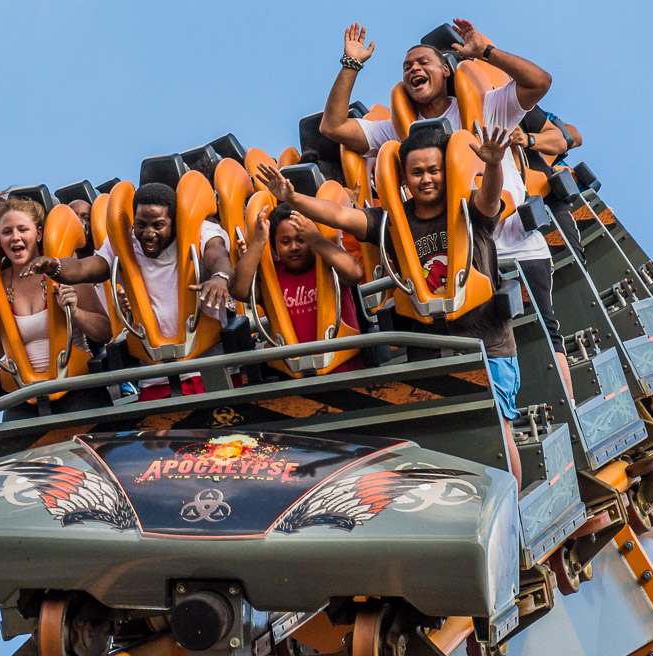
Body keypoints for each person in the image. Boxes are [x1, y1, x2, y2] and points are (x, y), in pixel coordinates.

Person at [257, 124, 523, 486]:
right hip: (428, 348)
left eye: (434, 170)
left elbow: (490, 200)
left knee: (497, 433)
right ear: (403, 178)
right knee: (444, 441)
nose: (426, 179)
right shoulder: (391, 221)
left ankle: (516, 519)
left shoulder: (467, 207)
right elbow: (339, 217)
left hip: (485, 343)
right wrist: (293, 199)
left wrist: (492, 165)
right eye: (417, 172)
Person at [319, 20, 573, 399]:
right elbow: (333, 126)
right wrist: (350, 64)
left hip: (511, 246)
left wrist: (487, 53)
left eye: (423, 62)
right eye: (406, 67)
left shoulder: (489, 105)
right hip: (453, 263)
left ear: (445, 70)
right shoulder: (396, 130)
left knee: (543, 336)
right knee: (471, 358)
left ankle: (565, 409)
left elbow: (540, 82)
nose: (414, 69)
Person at [22, 182, 235, 400]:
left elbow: (217, 254)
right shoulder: (124, 243)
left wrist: (220, 278)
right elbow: (85, 268)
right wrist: (55, 266)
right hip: (155, 378)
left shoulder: (201, 231)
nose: (148, 233)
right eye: (141, 224)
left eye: (158, 225)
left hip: (209, 368)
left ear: (174, 221)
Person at [0, 193, 113, 418]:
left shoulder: (65, 271)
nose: (15, 237)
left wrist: (75, 313)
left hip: (77, 389)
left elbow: (105, 333)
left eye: (22, 230)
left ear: (38, 234)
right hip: (25, 395)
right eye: (7, 232)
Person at [231, 203, 365, 372]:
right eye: (285, 242)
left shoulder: (328, 267)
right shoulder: (270, 279)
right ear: (274, 246)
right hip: (294, 377)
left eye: (301, 240)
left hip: (345, 370)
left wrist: (315, 238)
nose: (294, 247)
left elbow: (355, 274)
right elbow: (239, 290)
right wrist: (258, 243)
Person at [510, 107, 585, 262]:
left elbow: (573, 137)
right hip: (510, 212)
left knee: (570, 258)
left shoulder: (526, 108)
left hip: (544, 196)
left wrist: (529, 141)